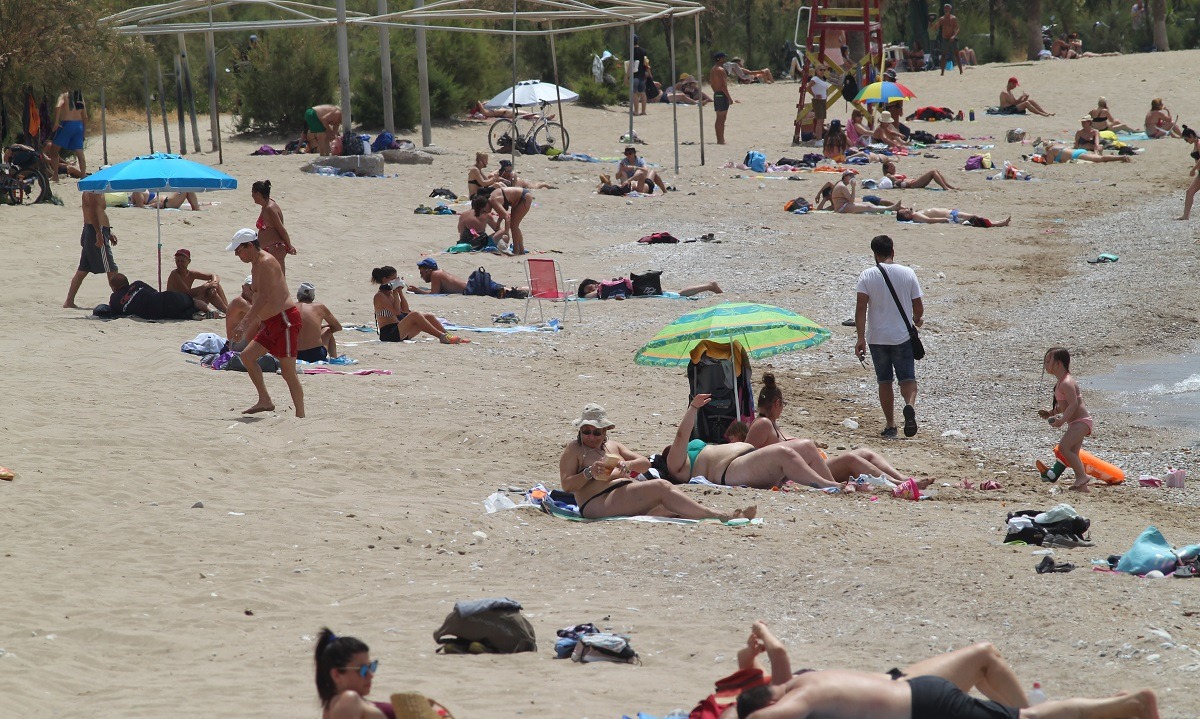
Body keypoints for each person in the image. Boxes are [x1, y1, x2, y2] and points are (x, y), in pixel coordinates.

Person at [727, 621, 1031, 713]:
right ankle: (1028, 713)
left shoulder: (785, 690)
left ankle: (1022, 713)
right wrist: (761, 629)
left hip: (900, 682)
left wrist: (750, 652)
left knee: (984, 663)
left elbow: (751, 663)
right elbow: (779, 652)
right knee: (984, 657)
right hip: (905, 692)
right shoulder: (788, 698)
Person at [559, 403, 757, 521]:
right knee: (662, 487)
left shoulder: (612, 446)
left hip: (623, 492)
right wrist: (588, 473)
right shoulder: (574, 450)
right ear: (580, 430)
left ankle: (721, 515)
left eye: (596, 432)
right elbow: (567, 485)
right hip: (596, 501)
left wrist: (628, 466)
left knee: (672, 508)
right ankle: (720, 515)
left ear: (605, 432)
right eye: (586, 431)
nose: (591, 437)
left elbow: (645, 463)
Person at [735, 668, 1158, 719]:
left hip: (929, 706)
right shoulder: (806, 678)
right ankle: (1118, 707)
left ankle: (1132, 704)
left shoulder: (799, 699)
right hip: (919, 693)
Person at [744, 373, 924, 486]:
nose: (783, 408)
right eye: (784, 404)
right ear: (777, 403)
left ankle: (903, 478)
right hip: (800, 473)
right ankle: (895, 483)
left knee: (865, 453)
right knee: (851, 459)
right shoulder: (763, 424)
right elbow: (745, 456)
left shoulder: (771, 423)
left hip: (811, 466)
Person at [657, 395, 846, 490]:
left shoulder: (691, 453)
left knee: (806, 445)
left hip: (748, 459)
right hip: (731, 470)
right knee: (784, 454)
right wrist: (693, 407)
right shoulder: (676, 466)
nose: (670, 448)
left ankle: (832, 485)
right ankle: (828, 486)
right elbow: (681, 436)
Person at [227, 228, 306, 418]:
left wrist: (244, 324)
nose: (237, 255)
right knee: (247, 356)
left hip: (285, 319)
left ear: (249, 246)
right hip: (270, 322)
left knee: (287, 371)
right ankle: (265, 400)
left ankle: (301, 415)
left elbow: (262, 298)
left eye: (238, 250)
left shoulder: (265, 262)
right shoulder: (255, 264)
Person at [854, 235, 922, 438]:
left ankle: (891, 424)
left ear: (875, 254)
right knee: (907, 379)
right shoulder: (908, 273)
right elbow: (918, 306)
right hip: (902, 336)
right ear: (893, 251)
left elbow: (861, 308)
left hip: (877, 338)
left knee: (884, 381)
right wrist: (916, 319)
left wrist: (860, 338)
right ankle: (909, 406)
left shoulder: (867, 275)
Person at [1035, 347, 1093, 492]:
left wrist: (1061, 421)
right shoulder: (1061, 383)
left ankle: (1082, 477)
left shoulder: (1067, 382)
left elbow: (1073, 405)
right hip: (1076, 423)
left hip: (1081, 422)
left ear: (1059, 363)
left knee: (1064, 448)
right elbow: (1064, 406)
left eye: (1048, 361)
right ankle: (1082, 487)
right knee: (1073, 451)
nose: (1045, 365)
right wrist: (1050, 413)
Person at [371, 265, 468, 344]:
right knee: (415, 315)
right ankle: (441, 337)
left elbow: (405, 310)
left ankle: (449, 336)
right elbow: (396, 312)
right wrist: (396, 293)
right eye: (393, 279)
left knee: (428, 316)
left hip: (399, 330)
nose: (396, 281)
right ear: (385, 280)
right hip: (389, 333)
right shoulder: (380, 296)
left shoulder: (391, 294)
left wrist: (400, 292)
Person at [314, 627, 391, 719]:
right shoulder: (348, 700)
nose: (370, 675)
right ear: (336, 675)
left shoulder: (339, 705)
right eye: (362, 670)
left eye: (371, 667)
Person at [63, 191, 119, 308]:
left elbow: (99, 212)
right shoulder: (93, 191)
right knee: (111, 268)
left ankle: (69, 301)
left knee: (83, 269)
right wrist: (99, 233)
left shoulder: (96, 190)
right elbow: (93, 213)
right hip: (94, 231)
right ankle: (120, 300)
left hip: (95, 230)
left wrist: (108, 232)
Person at [107, 273, 217, 320]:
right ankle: (210, 311)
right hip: (165, 298)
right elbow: (154, 292)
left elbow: (113, 314)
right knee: (192, 301)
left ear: (114, 288)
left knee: (184, 314)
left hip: (155, 313)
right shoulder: (137, 284)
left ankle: (197, 314)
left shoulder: (114, 298)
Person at [407, 258, 527, 298]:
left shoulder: (436, 275)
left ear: (428, 270)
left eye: (422, 273)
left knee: (507, 292)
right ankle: (530, 289)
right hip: (474, 285)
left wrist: (418, 291)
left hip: (473, 288)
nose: (421, 276)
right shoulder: (438, 274)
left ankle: (531, 290)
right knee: (506, 289)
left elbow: (434, 294)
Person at [251, 180, 296, 276]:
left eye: (252, 193)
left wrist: (289, 246)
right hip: (269, 251)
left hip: (275, 250)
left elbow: (281, 229)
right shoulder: (266, 205)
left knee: (278, 282)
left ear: (257, 193)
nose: (252, 196)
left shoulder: (270, 209)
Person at [166, 248, 229, 313]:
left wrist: (214, 284)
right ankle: (227, 311)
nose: (179, 264)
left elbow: (214, 276)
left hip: (188, 302)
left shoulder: (191, 274)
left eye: (182, 261)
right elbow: (188, 293)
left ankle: (227, 309)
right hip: (177, 305)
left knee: (213, 287)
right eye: (177, 261)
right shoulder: (174, 274)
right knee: (208, 289)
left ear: (189, 261)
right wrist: (206, 286)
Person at [45, 90, 88, 182]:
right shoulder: (79, 97)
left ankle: (55, 176)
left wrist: (56, 122)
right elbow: (85, 117)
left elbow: (58, 106)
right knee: (79, 151)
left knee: (54, 150)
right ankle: (83, 175)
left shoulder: (64, 96)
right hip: (78, 125)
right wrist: (84, 132)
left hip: (67, 124)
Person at [295, 282, 341, 363]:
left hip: (293, 354)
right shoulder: (319, 307)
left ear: (298, 295)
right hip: (315, 355)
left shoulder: (291, 307)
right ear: (312, 296)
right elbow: (337, 327)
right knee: (328, 329)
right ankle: (334, 358)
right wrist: (318, 328)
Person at [479, 185, 532, 256]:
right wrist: (498, 223)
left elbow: (507, 217)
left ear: (485, 205)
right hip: (521, 197)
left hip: (523, 197)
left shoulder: (493, 200)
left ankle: (516, 250)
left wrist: (506, 233)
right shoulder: (492, 198)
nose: (485, 213)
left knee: (514, 226)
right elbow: (504, 209)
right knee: (514, 226)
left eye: (484, 211)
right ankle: (521, 250)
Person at [576, 277, 721, 300]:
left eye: (590, 287)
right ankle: (709, 286)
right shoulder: (607, 286)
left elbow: (587, 297)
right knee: (672, 293)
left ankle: (709, 286)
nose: (592, 290)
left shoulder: (603, 287)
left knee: (677, 294)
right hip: (637, 286)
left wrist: (585, 295)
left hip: (638, 289)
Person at [832, 171, 901, 214]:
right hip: (842, 208)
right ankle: (890, 208)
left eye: (853, 176)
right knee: (868, 207)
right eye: (851, 176)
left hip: (844, 205)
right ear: (845, 177)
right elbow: (851, 200)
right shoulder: (842, 186)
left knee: (868, 204)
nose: (853, 177)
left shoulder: (841, 184)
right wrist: (853, 187)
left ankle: (889, 209)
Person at [1032, 138, 1130, 164]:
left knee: (1101, 159)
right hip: (1078, 151)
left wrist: (1043, 158)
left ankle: (1122, 157)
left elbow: (1049, 164)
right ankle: (1101, 153)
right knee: (1098, 158)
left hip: (1076, 155)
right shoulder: (1056, 145)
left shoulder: (1050, 151)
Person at [225, 276, 258, 352]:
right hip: (236, 343)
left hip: (241, 341)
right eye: (250, 288)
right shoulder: (239, 301)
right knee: (257, 320)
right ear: (243, 287)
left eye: (256, 289)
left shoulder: (251, 301)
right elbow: (259, 314)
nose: (253, 291)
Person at [929, 4, 963, 75]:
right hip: (945, 39)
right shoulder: (941, 19)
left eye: (947, 8)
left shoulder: (953, 18)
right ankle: (942, 72)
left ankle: (961, 70)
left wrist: (954, 36)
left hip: (952, 38)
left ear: (950, 9)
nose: (946, 10)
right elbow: (935, 28)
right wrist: (930, 23)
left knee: (956, 54)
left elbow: (958, 28)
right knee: (943, 55)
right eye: (945, 8)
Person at [881, 160, 958, 190]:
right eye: (892, 166)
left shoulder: (893, 174)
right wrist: (902, 181)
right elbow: (896, 182)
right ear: (887, 169)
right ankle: (945, 187)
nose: (894, 167)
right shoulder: (889, 175)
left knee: (935, 170)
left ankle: (949, 186)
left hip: (914, 182)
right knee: (933, 171)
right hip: (912, 184)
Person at [896, 207, 1010, 227]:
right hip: (949, 216)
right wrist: (943, 220)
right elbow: (929, 220)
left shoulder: (915, 213)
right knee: (973, 218)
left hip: (950, 213)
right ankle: (997, 223)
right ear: (906, 215)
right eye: (904, 211)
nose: (906, 209)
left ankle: (996, 222)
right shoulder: (915, 216)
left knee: (973, 219)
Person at [711, 51, 734, 145]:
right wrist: (729, 98)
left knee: (719, 118)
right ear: (719, 59)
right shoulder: (720, 70)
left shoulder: (713, 69)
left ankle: (720, 139)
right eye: (723, 58)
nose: (724, 60)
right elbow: (723, 85)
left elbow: (712, 84)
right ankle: (720, 140)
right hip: (721, 94)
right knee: (721, 118)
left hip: (716, 94)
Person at [1177, 136, 1200, 220]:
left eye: (1186, 139)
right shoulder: (1196, 143)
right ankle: (1185, 215)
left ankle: (1185, 215)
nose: (1186, 141)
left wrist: (1193, 169)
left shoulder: (1199, 143)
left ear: (1191, 136)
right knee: (1189, 192)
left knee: (1190, 192)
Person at [807, 65, 831, 143]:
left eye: (824, 70)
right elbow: (808, 87)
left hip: (823, 100)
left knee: (822, 120)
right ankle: (818, 140)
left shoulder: (823, 79)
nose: (822, 71)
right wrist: (815, 95)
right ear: (816, 71)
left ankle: (819, 138)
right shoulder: (815, 79)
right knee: (819, 120)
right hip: (817, 101)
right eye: (821, 70)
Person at [632, 34, 649, 116]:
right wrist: (648, 72)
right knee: (643, 92)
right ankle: (643, 111)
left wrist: (626, 76)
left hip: (635, 74)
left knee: (634, 92)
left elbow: (630, 64)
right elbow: (646, 62)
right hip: (642, 74)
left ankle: (636, 111)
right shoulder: (643, 51)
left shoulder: (632, 51)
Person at [131, 190, 201, 210]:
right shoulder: (137, 192)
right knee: (186, 189)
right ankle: (196, 208)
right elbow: (140, 206)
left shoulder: (138, 191)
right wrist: (153, 205)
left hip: (167, 201)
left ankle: (196, 208)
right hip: (166, 203)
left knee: (186, 189)